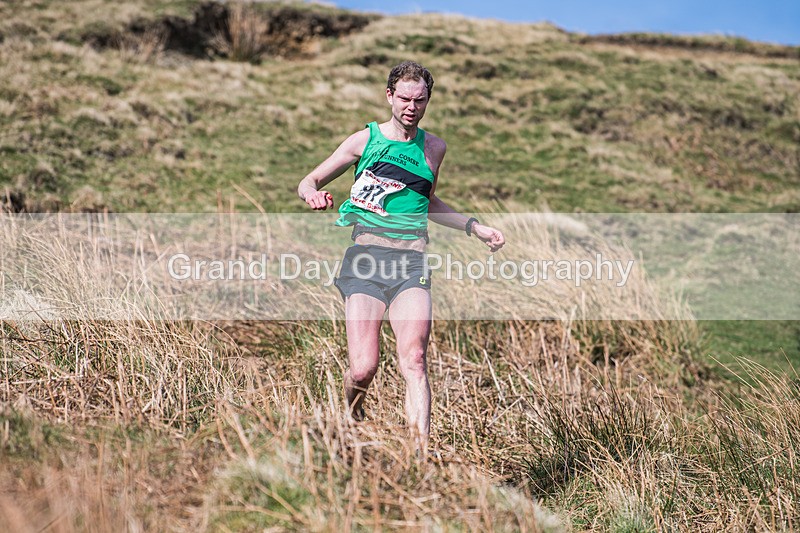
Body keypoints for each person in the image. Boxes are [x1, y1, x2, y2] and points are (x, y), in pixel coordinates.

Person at [297, 61, 505, 453]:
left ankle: (419, 457)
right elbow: (309, 180)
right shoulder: (365, 140)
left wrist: (474, 227)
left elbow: (426, 203)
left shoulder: (434, 147)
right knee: (363, 367)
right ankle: (353, 416)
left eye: (420, 100)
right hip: (366, 261)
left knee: (415, 358)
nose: (412, 106)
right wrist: (312, 195)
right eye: (405, 98)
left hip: (412, 263)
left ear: (428, 100)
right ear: (389, 96)